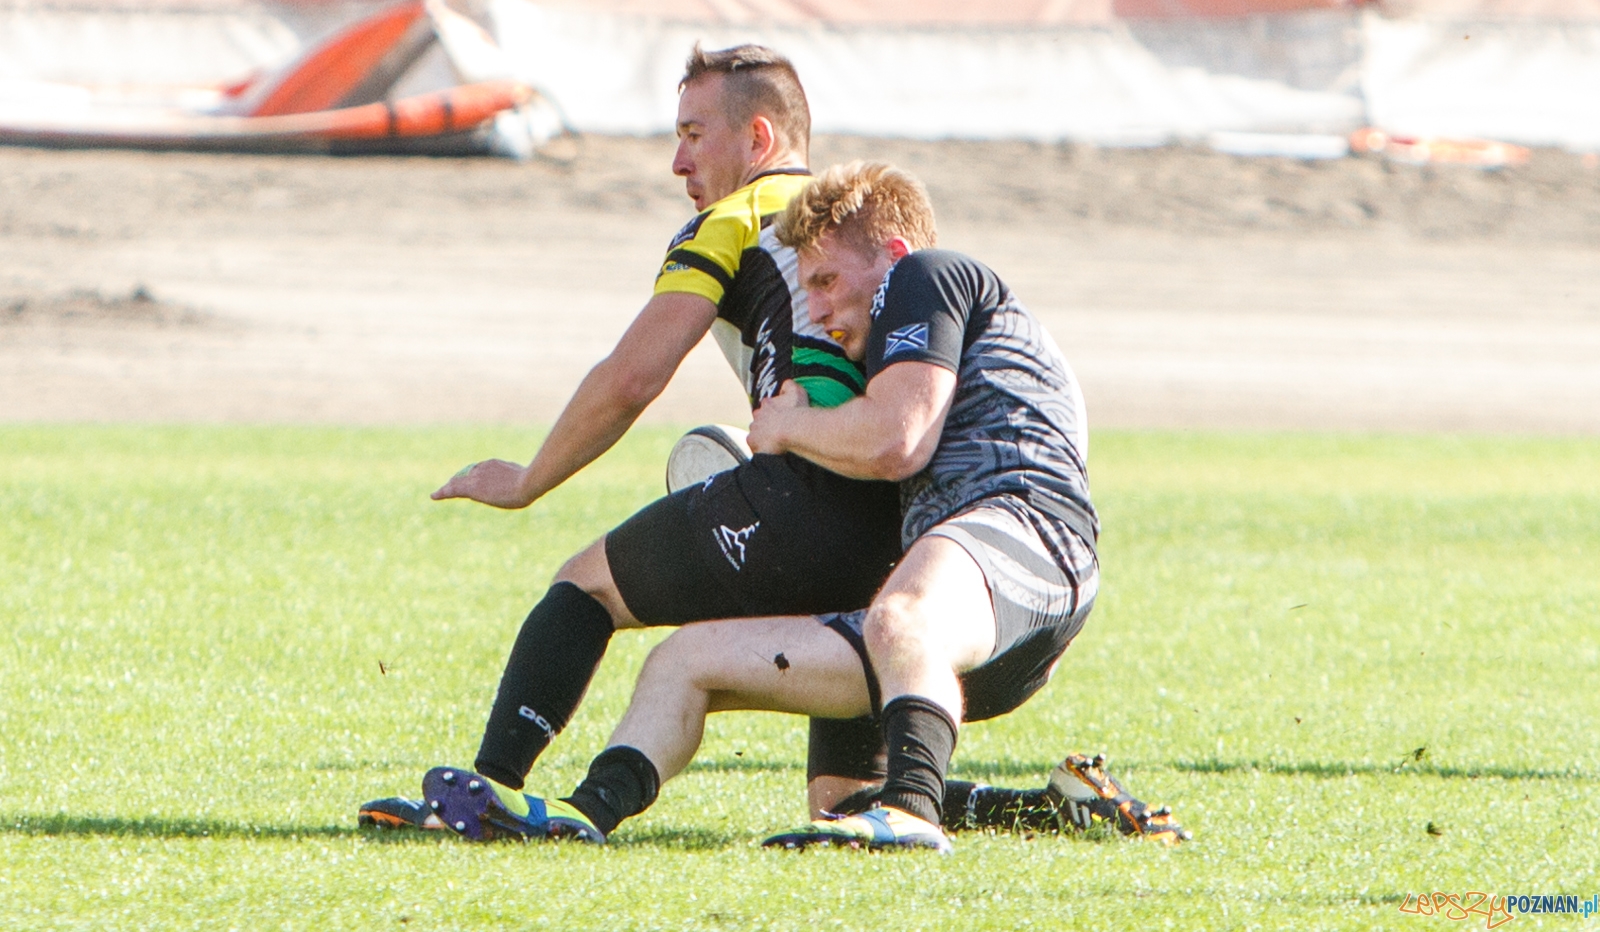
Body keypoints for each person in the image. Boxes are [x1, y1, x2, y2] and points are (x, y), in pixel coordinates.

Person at [358, 45, 1101, 834]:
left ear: (757, 138)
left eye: (692, 133)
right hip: (910, 543)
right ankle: (1041, 810)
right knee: (840, 796)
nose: (678, 160)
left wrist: (531, 479)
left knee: (587, 586)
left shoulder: (750, 219)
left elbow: (632, 377)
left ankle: (480, 790)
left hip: (841, 500)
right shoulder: (868, 257)